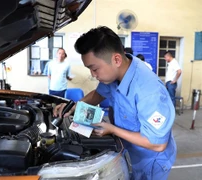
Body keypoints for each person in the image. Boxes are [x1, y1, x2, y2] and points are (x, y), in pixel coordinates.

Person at [53, 26, 176, 180]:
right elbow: (97, 95)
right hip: (127, 150)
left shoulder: (149, 92)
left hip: (149, 161)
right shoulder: (116, 72)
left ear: (116, 59)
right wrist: (72, 106)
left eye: (94, 68)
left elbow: (157, 144)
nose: (93, 75)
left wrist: (112, 129)